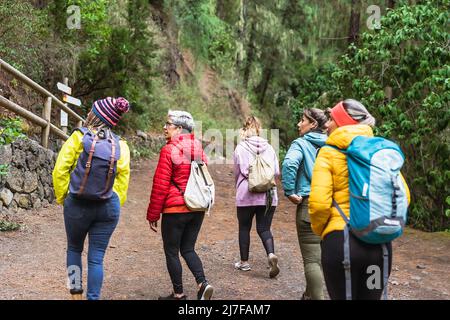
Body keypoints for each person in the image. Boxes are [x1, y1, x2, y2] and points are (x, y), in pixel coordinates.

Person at [309, 99, 410, 300]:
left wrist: (325, 232)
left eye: (331, 119)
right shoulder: (378, 152)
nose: (327, 124)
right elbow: (405, 196)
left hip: (341, 242)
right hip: (379, 245)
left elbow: (318, 205)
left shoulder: (328, 153)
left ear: (342, 123)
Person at [53, 97, 131, 300]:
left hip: (77, 204)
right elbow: (123, 177)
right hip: (108, 207)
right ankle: (93, 298)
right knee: (96, 259)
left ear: (95, 115)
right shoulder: (121, 145)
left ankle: (75, 295)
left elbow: (60, 170)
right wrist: (114, 200)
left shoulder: (78, 137)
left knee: (74, 249)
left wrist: (64, 197)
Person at [146, 110, 214, 300]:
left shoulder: (169, 150)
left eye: (168, 124)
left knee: (172, 251)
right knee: (188, 248)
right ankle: (203, 283)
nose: (164, 127)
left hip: (175, 209)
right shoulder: (199, 149)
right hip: (197, 207)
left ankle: (179, 294)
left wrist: (153, 214)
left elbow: (160, 185)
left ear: (180, 129)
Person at [281, 108, 327, 300]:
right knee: (322, 257)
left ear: (313, 124)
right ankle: (309, 294)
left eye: (302, 120)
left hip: (310, 204)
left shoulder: (300, 143)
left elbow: (289, 164)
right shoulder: (333, 144)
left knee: (312, 261)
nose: (299, 124)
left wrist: (290, 191)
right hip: (333, 206)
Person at [233, 116, 280, 278]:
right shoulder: (270, 148)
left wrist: (239, 188)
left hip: (246, 193)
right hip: (268, 195)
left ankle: (244, 263)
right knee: (264, 228)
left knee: (244, 228)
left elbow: (238, 172)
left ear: (244, 129)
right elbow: (276, 172)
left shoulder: (240, 148)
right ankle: (271, 254)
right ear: (260, 129)